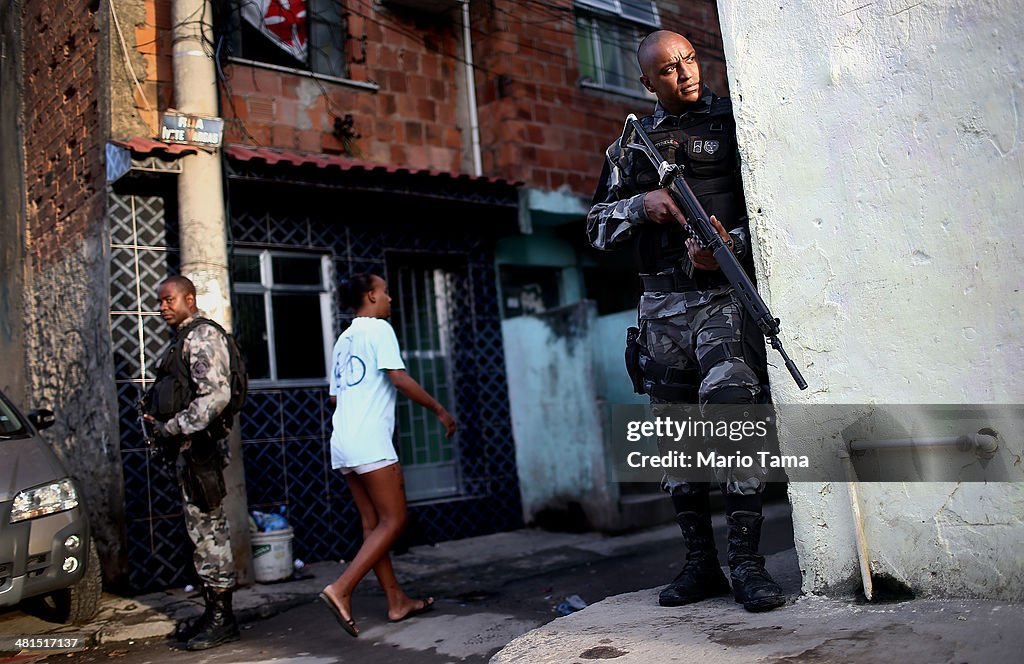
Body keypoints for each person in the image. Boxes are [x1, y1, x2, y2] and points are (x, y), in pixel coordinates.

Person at [587, 30, 785, 613]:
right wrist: (640, 207)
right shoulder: (631, 145)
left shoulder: (733, 124)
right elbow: (596, 227)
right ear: (648, 82)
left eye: (690, 60)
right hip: (660, 310)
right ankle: (701, 565)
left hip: (723, 300)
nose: (686, 73)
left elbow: (774, 208)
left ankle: (748, 564)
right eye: (669, 69)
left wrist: (729, 243)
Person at [319, 273, 457, 637]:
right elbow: (397, 378)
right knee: (394, 520)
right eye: (384, 291)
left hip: (343, 441)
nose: (390, 297)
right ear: (370, 296)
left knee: (372, 524)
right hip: (370, 442)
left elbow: (335, 396)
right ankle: (342, 588)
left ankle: (396, 601)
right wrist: (439, 409)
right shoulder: (378, 330)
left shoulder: (344, 339)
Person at [144, 275, 241, 649]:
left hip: (201, 451)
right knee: (201, 534)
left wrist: (172, 427)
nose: (163, 307)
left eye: (169, 300)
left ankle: (223, 619)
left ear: (189, 298)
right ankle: (212, 613)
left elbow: (215, 396)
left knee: (210, 534)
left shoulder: (201, 336)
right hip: (191, 452)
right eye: (160, 302)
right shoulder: (184, 338)